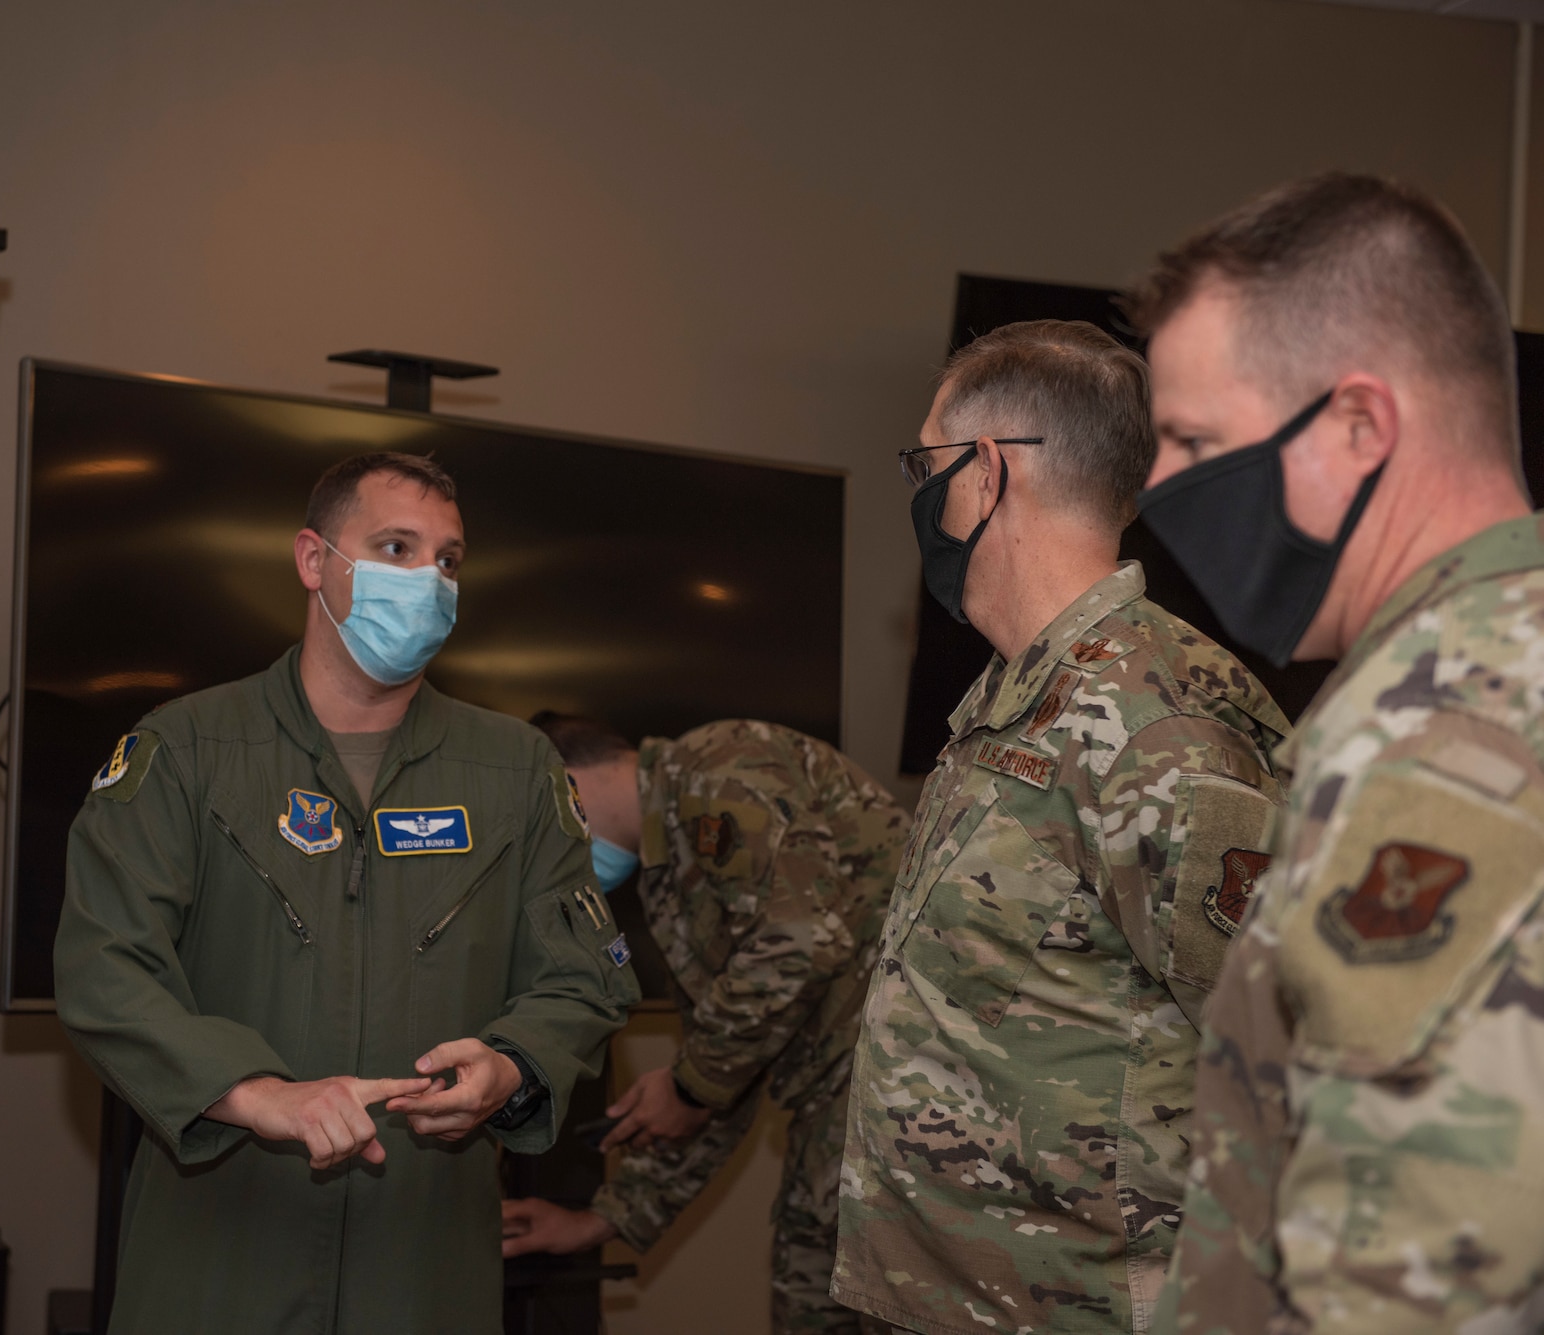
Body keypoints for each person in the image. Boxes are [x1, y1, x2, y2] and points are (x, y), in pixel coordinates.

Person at [54, 452, 638, 1334]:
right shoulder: (188, 751)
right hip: (220, 1253)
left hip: (424, 1265)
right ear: (313, 560)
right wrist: (254, 1093)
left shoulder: (515, 769)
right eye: (396, 546)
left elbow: (584, 975)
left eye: (447, 560)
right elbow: (105, 967)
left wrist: (510, 1064)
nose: (428, 581)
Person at [1131, 174, 1544, 1333]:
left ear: (1361, 425)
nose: (1160, 487)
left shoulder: (1433, 731)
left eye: (1193, 440)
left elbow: (1408, 1268)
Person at [831, 320, 1290, 1334]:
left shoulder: (1153, 728)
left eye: (924, 463)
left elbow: (1293, 1054)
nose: (920, 493)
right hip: (959, 1299)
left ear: (984, 471)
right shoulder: (1019, 701)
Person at [500, 714, 907, 1333]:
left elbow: (797, 943)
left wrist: (688, 1085)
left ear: (565, 788)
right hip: (842, 1106)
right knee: (809, 1304)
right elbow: (721, 1078)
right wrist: (602, 1218)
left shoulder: (721, 767)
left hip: (901, 1090)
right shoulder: (668, 880)